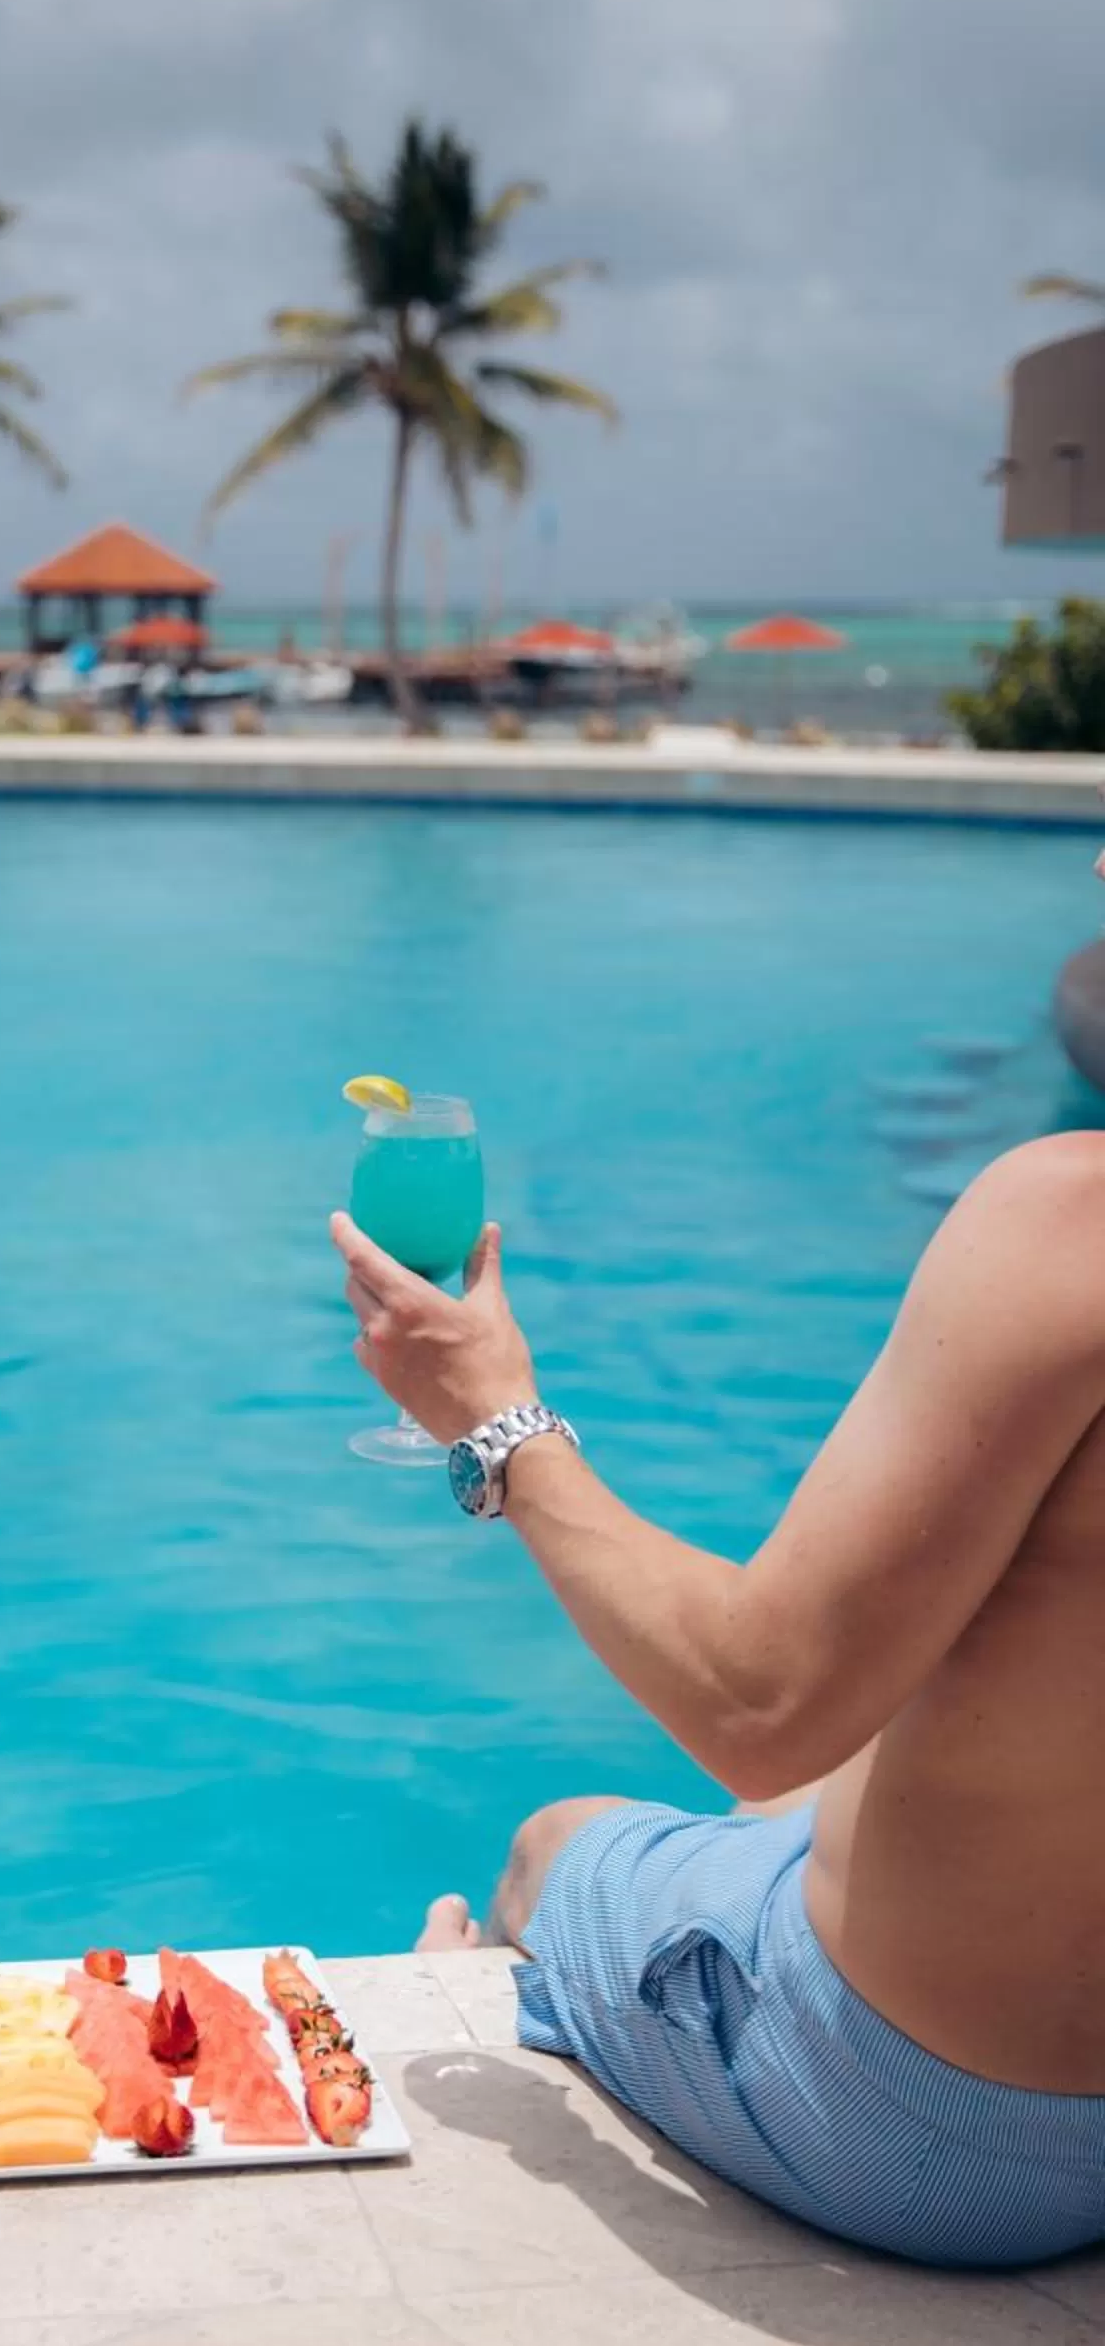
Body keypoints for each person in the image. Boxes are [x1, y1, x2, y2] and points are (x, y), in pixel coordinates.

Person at [332, 962, 1105, 2270]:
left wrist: (497, 1424)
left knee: (553, 1840)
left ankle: (453, 1979)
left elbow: (759, 1704)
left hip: (958, 2135)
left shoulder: (1071, 1219)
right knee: (807, 1794)